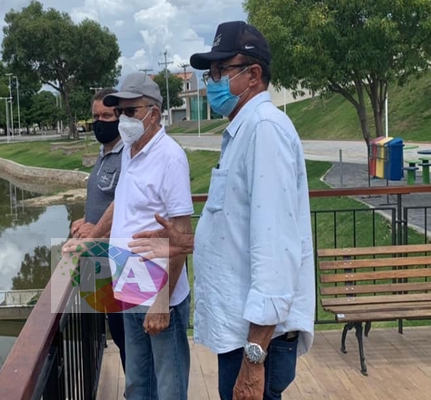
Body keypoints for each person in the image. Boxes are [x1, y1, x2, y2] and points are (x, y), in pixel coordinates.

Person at [129, 21, 315, 400]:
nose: (211, 80)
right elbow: (243, 230)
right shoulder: (243, 132)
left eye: (219, 70)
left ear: (253, 75)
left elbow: (276, 251)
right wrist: (189, 240)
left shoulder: (265, 130)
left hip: (259, 342)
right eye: (208, 71)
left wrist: (254, 358)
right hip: (243, 336)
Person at [87, 72, 194, 400]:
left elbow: (181, 234)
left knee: (168, 384)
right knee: (136, 381)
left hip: (161, 290)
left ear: (154, 114)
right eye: (120, 112)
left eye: (130, 111)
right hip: (129, 280)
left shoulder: (170, 158)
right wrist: (92, 238)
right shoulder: (131, 152)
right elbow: (123, 204)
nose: (123, 120)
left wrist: (163, 300)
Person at [69, 88, 127, 372]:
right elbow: (101, 198)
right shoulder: (103, 154)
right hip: (99, 257)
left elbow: (126, 205)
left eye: (107, 115)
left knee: (130, 336)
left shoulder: (127, 154)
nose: (100, 122)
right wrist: (85, 220)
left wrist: (96, 230)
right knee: (114, 329)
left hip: (120, 259)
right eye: (95, 117)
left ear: (120, 117)